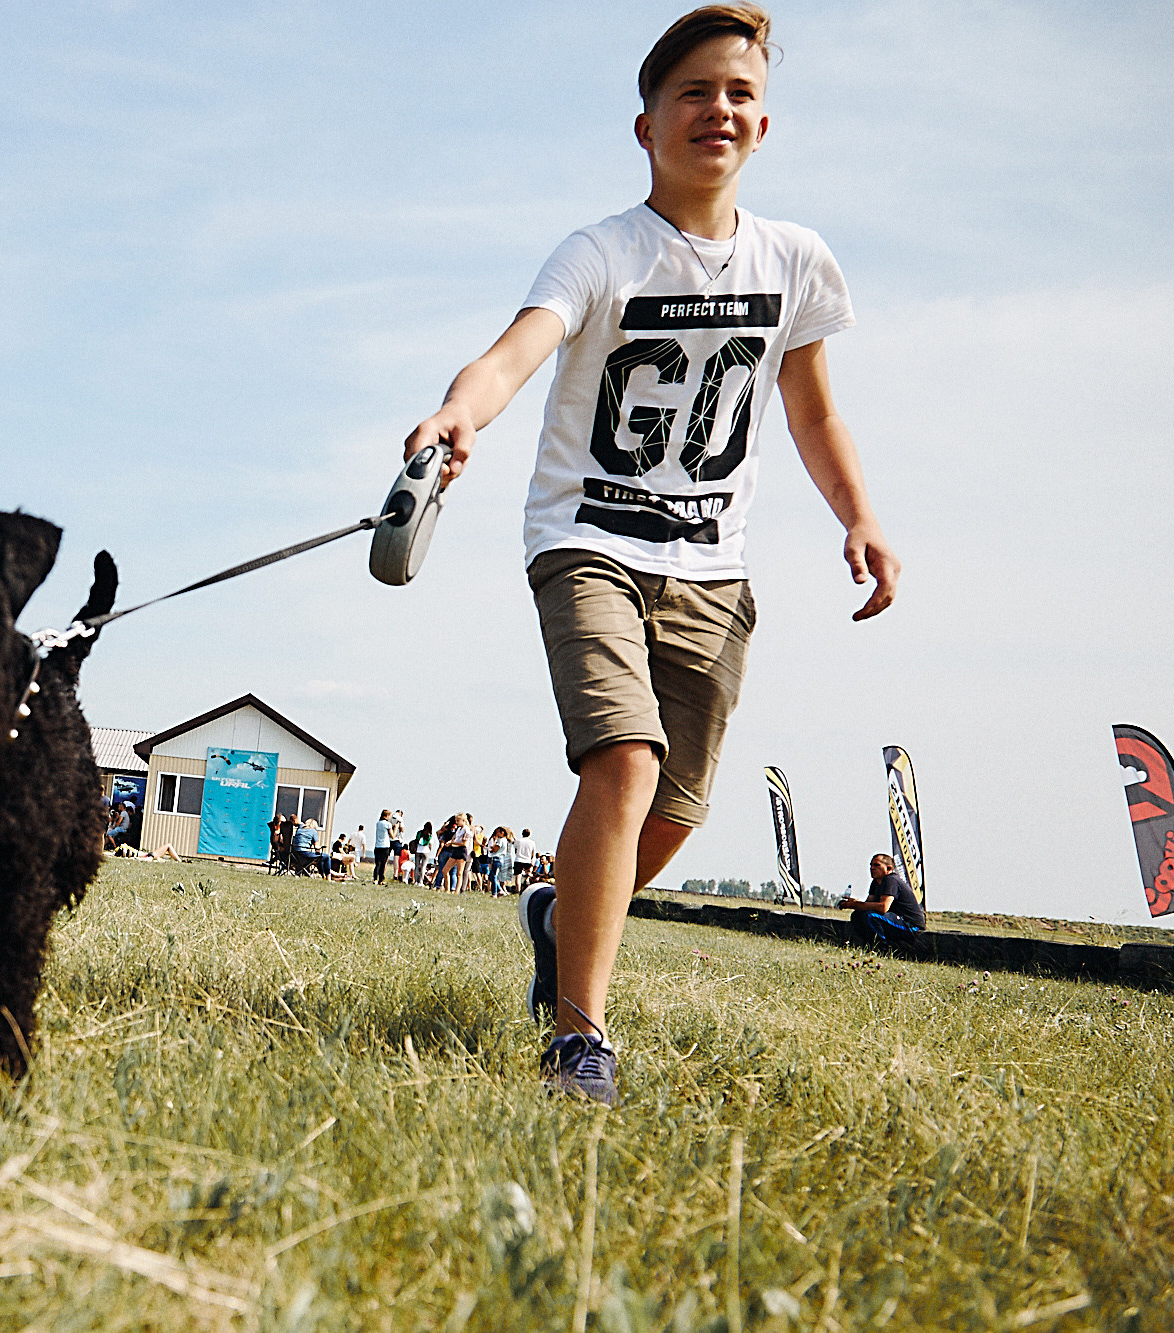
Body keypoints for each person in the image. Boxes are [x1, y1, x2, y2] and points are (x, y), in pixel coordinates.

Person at [408, 5, 901, 1104]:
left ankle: (552, 913)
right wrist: (459, 409)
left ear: (762, 125)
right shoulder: (600, 252)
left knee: (672, 810)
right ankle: (579, 1035)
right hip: (585, 542)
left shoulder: (794, 262)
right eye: (691, 92)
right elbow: (516, 351)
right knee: (620, 763)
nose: (714, 110)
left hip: (712, 572)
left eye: (735, 93)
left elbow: (815, 416)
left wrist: (856, 515)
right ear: (644, 125)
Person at [840, 853, 925, 946]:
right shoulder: (875, 882)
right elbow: (868, 904)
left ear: (888, 868)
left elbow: (883, 907)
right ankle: (864, 944)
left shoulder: (891, 880)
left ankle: (881, 948)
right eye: (871, 865)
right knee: (857, 915)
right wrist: (853, 903)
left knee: (871, 916)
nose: (872, 868)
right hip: (892, 919)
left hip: (910, 925)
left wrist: (855, 904)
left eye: (876, 865)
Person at [372, 809, 393, 882]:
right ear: (387, 815)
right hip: (385, 846)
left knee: (377, 863)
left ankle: (375, 879)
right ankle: (380, 880)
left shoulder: (378, 823)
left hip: (377, 846)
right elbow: (392, 835)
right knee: (383, 864)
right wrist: (395, 827)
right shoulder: (388, 824)